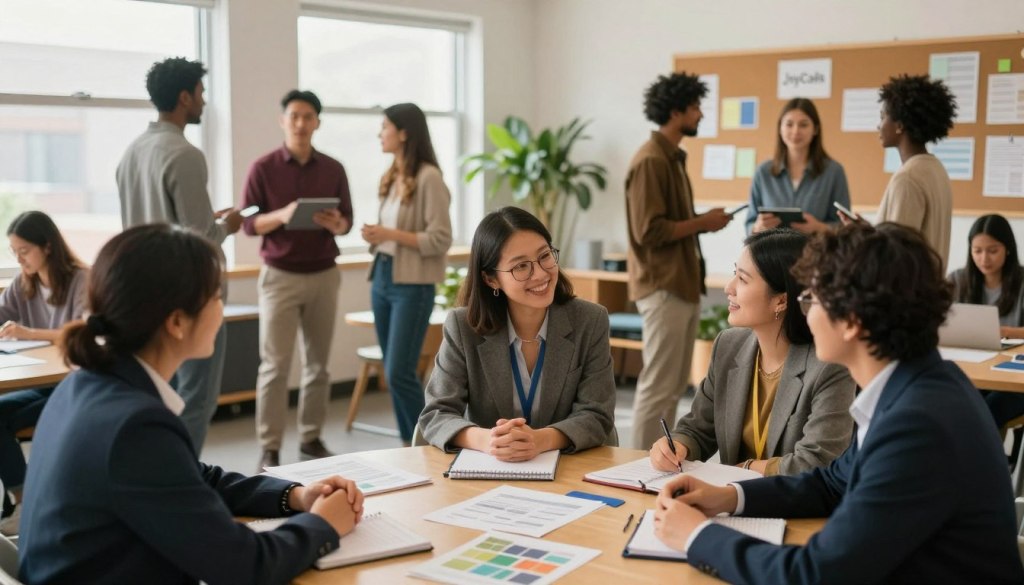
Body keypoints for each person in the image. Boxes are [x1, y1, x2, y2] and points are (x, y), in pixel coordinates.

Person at [653, 223, 1024, 584]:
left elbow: (817, 573)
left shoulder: (917, 423)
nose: (806, 312)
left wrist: (697, 536)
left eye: (812, 299)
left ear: (851, 321)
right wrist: (728, 496)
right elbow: (832, 484)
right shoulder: (917, 386)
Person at [17, 224, 365, 584]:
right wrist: (323, 525)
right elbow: (246, 566)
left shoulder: (84, 384)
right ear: (177, 322)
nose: (221, 307)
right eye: (216, 296)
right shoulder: (135, 425)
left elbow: (193, 479)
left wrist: (295, 496)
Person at [650, 229, 854, 476]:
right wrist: (678, 446)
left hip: (796, 507)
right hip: (731, 502)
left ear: (781, 300)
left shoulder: (829, 366)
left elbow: (817, 461)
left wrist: (748, 468)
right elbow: (698, 429)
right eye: (735, 273)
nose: (729, 287)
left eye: (743, 279)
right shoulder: (729, 345)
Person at [116, 57, 243, 452]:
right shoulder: (185, 154)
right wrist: (228, 226)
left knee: (159, 393)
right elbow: (201, 237)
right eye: (201, 93)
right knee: (197, 397)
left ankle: (155, 472)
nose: (204, 102)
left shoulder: (131, 153)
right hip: (188, 296)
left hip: (143, 293)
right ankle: (181, 477)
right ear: (185, 97)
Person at [418, 207, 615, 459]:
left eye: (545, 256)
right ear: (491, 280)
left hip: (567, 471)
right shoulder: (463, 327)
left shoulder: (590, 321)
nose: (541, 274)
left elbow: (597, 414)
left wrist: (540, 440)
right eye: (521, 266)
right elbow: (436, 413)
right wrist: (487, 440)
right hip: (488, 471)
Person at [242, 90, 354, 469]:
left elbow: (347, 221)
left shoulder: (334, 169)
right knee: (274, 366)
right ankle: (269, 446)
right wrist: (284, 214)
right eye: (294, 116)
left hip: (323, 274)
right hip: (280, 276)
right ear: (283, 120)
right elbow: (248, 225)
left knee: (318, 365)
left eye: (308, 117)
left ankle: (310, 438)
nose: (301, 123)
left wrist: (338, 224)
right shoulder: (263, 168)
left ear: (318, 122)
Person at [626, 72, 733, 450]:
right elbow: (648, 231)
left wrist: (703, 222)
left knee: (671, 387)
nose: (701, 114)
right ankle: (636, 466)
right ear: (676, 111)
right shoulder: (652, 161)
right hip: (663, 286)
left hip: (680, 285)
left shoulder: (670, 158)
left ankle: (657, 461)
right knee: (659, 387)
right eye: (695, 107)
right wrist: (704, 222)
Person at [361, 103, 452, 445]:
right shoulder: (393, 176)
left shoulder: (429, 177)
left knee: (400, 372)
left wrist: (389, 234)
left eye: (384, 127)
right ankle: (408, 444)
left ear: (403, 132)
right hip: (383, 276)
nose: (379, 133)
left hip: (412, 285)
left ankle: (426, 444)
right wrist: (377, 236)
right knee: (392, 372)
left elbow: (441, 237)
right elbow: (394, 233)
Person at [0, 211, 87, 536]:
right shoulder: (25, 284)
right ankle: (24, 503)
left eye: (25, 251)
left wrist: (29, 333)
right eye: (14, 253)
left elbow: (84, 329)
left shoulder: (82, 279)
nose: (20, 259)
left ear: (47, 247)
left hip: (73, 383)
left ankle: (27, 507)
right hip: (40, 381)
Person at [866, 74, 956, 270]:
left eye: (883, 117)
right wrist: (865, 231)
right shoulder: (935, 169)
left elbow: (895, 255)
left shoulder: (907, 178)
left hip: (905, 296)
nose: (878, 125)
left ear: (899, 126)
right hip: (929, 292)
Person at [949, 213, 1024, 429]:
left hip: (1013, 379)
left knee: (987, 409)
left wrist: (1007, 331)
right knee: (958, 404)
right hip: (972, 372)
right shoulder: (957, 280)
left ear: (1007, 249)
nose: (984, 259)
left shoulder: (1021, 282)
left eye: (993, 251)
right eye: (977, 251)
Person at [746, 98, 850, 235]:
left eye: (803, 125)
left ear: (816, 129)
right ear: (780, 128)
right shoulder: (763, 172)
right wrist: (757, 228)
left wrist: (820, 228)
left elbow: (845, 227)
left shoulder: (834, 171)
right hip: (772, 253)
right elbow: (750, 223)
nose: (795, 131)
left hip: (817, 253)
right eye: (789, 124)